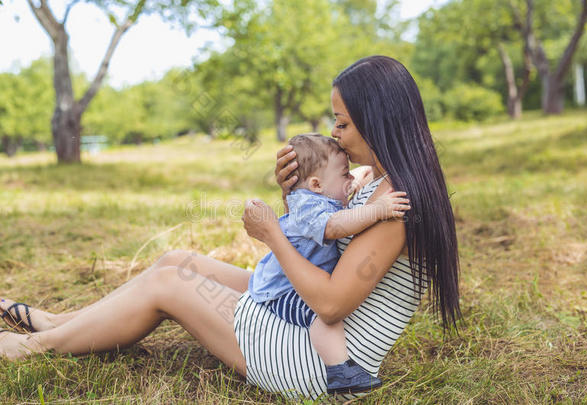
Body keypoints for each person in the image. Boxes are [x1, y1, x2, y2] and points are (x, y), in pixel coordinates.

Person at [0, 55, 460, 401]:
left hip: (322, 360)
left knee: (168, 284)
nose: (335, 134)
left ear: (378, 119)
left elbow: (333, 303)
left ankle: (34, 347)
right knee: (177, 262)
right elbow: (323, 234)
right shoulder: (377, 181)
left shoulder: (395, 206)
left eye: (342, 122)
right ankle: (58, 323)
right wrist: (297, 198)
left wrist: (273, 234)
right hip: (301, 316)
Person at [248, 133, 410, 394]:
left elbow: (355, 179)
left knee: (323, 318)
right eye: (345, 174)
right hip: (283, 290)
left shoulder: (319, 192)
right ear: (316, 183)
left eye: (343, 122)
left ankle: (340, 369)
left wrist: (361, 174)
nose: (351, 178)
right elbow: (334, 226)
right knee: (319, 320)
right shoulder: (308, 204)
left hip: (293, 283)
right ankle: (339, 370)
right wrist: (378, 209)